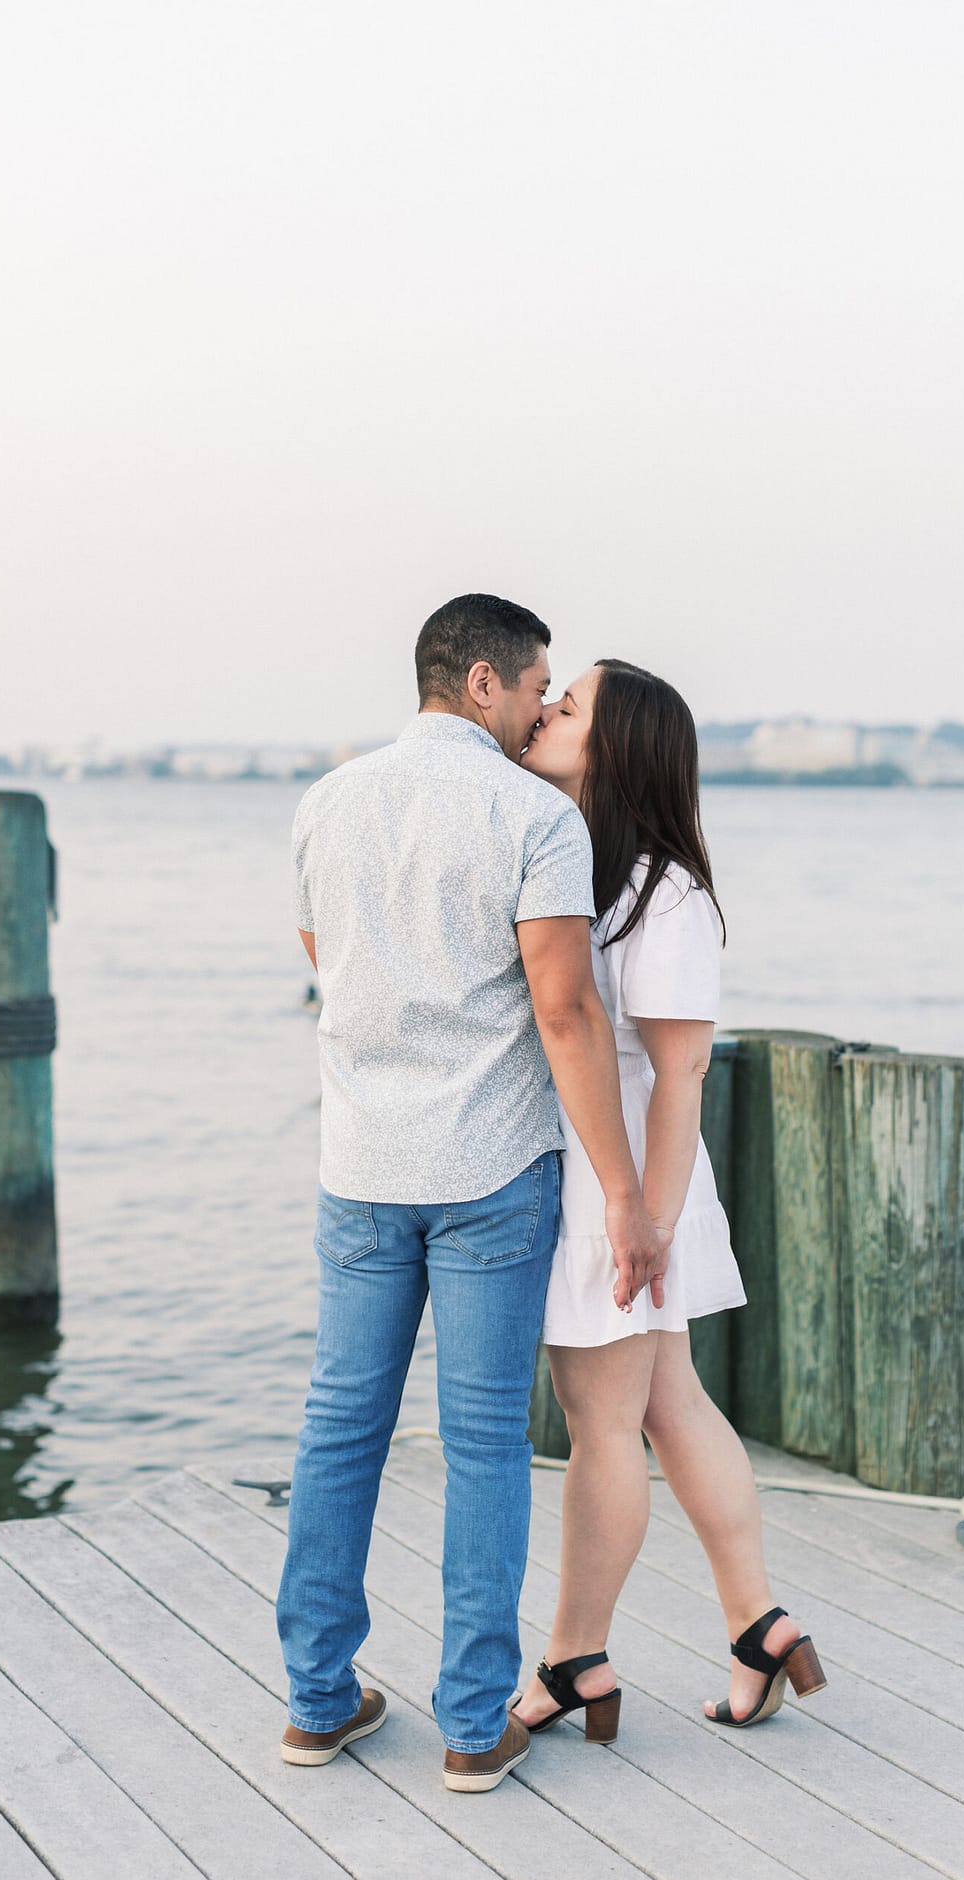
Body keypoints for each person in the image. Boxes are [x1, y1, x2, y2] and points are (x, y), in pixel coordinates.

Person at [276, 595, 664, 1793]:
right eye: (537, 686)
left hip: (359, 1166)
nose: (543, 710)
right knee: (486, 1440)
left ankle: (316, 1704)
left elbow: (326, 967)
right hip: (490, 1169)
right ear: (483, 680)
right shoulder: (532, 815)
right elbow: (564, 1010)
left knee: (340, 1426)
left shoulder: (325, 801)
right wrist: (622, 1191)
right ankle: (468, 1725)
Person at [512, 658, 826, 1736]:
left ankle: (573, 1660)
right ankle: (758, 1625)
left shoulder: (663, 888)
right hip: (611, 1179)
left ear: (617, 745)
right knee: (667, 1403)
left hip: (629, 1186)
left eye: (569, 705)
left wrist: (641, 1216)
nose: (547, 711)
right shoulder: (581, 861)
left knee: (601, 1423)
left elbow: (682, 1069)